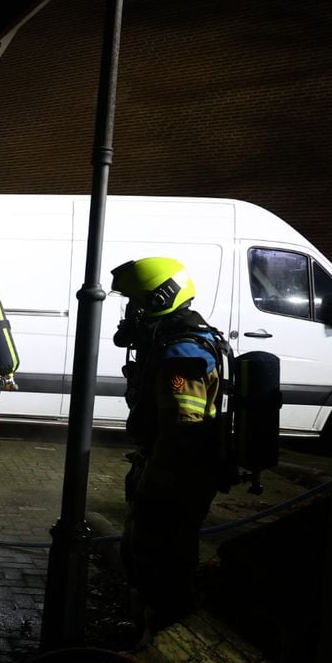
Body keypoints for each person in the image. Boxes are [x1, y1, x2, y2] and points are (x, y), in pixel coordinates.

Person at [110, 256, 228, 642]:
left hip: (175, 478)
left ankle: (165, 642)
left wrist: (154, 484)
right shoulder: (173, 341)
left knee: (163, 564)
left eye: (136, 302)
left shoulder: (182, 356)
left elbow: (183, 432)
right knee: (143, 555)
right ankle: (146, 630)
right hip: (168, 470)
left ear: (161, 298)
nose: (132, 312)